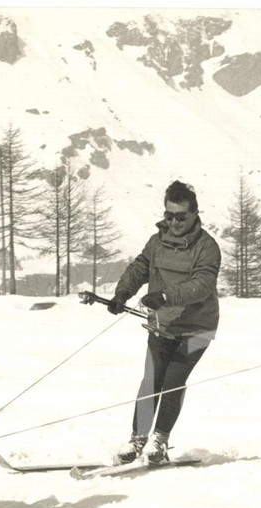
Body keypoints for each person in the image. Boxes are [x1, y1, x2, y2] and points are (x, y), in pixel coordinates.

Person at [106, 180, 221, 465]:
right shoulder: (157, 241)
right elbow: (140, 267)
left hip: (197, 329)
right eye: (169, 215)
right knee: (151, 380)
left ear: (194, 213)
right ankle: (137, 440)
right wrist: (123, 292)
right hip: (162, 324)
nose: (174, 222)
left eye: (180, 216)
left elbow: (202, 285)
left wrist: (166, 296)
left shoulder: (207, 247)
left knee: (173, 381)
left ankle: (160, 440)